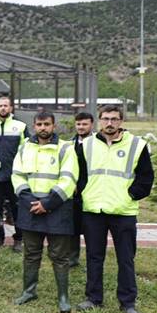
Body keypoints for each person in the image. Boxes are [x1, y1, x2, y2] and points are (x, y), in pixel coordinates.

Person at [75, 105, 153, 313]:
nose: (110, 123)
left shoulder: (137, 145)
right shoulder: (87, 145)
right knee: (94, 256)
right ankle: (93, 298)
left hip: (123, 211)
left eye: (114, 119)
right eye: (106, 119)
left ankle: (127, 302)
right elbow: (79, 176)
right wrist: (84, 194)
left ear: (121, 122)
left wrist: (131, 195)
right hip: (93, 210)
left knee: (126, 258)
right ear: (99, 121)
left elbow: (146, 178)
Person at [11, 111, 79, 313]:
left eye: (46, 124)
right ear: (33, 126)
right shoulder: (24, 147)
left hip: (57, 209)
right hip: (30, 208)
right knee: (31, 253)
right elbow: (18, 176)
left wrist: (47, 204)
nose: (43, 128)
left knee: (59, 256)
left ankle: (63, 297)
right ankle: (29, 291)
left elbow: (69, 178)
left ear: (53, 126)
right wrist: (30, 201)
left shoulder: (66, 148)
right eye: (39, 124)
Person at [0, 95, 27, 251]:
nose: (2, 108)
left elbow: (26, 150)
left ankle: (19, 238)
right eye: (0, 105)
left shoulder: (20, 126)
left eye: (5, 105)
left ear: (11, 108)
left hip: (15, 176)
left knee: (17, 209)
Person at [69, 111, 95, 267]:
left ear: (91, 125)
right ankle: (73, 258)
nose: (81, 127)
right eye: (78, 124)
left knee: (92, 230)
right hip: (74, 193)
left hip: (91, 191)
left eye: (84, 124)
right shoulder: (69, 144)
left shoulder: (98, 144)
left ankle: (93, 260)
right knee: (73, 228)